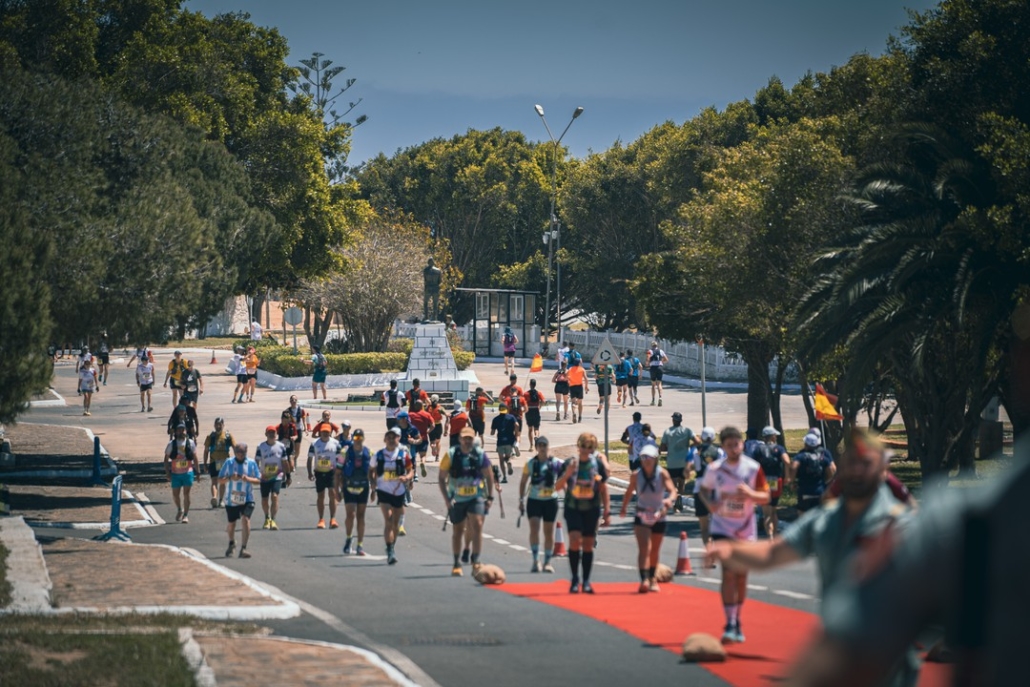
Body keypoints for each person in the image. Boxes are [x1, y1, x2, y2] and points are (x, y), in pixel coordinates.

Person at [704, 428, 914, 685]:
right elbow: (773, 553)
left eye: (866, 463)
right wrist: (728, 550)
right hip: (835, 658)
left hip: (885, 666)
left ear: (883, 469)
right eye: (852, 462)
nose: (857, 470)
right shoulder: (823, 521)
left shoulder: (902, 526)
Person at [697, 426, 770, 644]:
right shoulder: (715, 469)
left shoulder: (753, 468)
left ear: (742, 444)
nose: (733, 449)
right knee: (728, 573)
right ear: (723, 447)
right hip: (722, 528)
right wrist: (711, 505)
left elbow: (766, 496)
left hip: (745, 529)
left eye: (736, 444)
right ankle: (729, 622)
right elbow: (703, 489)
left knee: (741, 576)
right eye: (729, 445)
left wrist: (750, 493)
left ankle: (737, 618)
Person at [554, 432, 611, 594]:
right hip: (573, 508)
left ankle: (586, 581)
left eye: (590, 447)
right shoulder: (569, 463)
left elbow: (603, 488)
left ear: (594, 448)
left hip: (591, 508)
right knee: (574, 540)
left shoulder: (597, 465)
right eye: (583, 446)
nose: (586, 450)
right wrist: (568, 473)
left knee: (587, 544)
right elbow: (557, 487)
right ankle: (574, 579)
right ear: (578, 447)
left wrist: (607, 511)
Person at [620, 444, 677, 592]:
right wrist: (624, 507)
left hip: (659, 515)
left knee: (655, 550)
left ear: (656, 459)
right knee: (645, 548)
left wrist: (669, 500)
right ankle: (644, 579)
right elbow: (629, 492)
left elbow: (672, 491)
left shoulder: (662, 473)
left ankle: (653, 578)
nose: (646, 460)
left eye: (649, 457)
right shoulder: (636, 475)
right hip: (642, 514)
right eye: (643, 457)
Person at [439, 427, 495, 576]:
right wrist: (446, 499)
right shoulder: (451, 454)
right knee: (458, 531)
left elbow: (489, 475)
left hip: (476, 497)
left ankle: (476, 561)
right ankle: (456, 563)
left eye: (470, 438)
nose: (467, 441)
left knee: (477, 525)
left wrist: (490, 497)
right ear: (460, 439)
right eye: (465, 438)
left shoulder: (480, 454)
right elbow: (441, 477)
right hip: (457, 498)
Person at [519, 436, 563, 573]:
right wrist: (521, 500)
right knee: (534, 528)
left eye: (545, 445)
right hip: (534, 500)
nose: (543, 448)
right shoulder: (531, 464)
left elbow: (564, 479)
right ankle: (535, 560)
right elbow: (523, 482)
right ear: (537, 448)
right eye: (540, 445)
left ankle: (547, 562)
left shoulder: (555, 463)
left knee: (548, 531)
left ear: (548, 447)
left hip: (550, 501)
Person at [373, 427, 414, 565]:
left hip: (398, 492)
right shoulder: (379, 455)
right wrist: (373, 485)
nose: (391, 440)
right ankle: (390, 550)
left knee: (395, 524)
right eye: (389, 437)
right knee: (389, 520)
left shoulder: (403, 455)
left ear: (398, 439)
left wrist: (407, 478)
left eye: (394, 437)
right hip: (383, 492)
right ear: (385, 439)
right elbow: (371, 470)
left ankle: (391, 545)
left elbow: (410, 470)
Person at [219, 443, 261, 559]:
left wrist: (248, 479)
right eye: (238, 452)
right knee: (232, 524)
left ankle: (244, 548)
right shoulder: (229, 462)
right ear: (235, 452)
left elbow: (259, 480)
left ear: (246, 452)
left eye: (243, 452)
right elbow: (220, 479)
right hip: (232, 499)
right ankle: (231, 542)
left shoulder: (251, 463)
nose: (241, 454)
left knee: (245, 519)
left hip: (247, 498)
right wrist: (230, 478)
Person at [337, 428, 372, 555]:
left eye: (360, 437)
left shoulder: (369, 452)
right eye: (356, 437)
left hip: (363, 487)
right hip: (349, 486)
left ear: (363, 438)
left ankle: (360, 545)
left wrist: (374, 489)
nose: (358, 440)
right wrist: (337, 490)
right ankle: (349, 538)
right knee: (350, 514)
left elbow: (373, 472)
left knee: (361, 516)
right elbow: (338, 472)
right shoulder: (345, 452)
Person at [753, 426, 792, 537]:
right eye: (775, 435)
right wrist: (787, 476)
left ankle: (769, 536)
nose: (776, 437)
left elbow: (753, 465)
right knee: (774, 510)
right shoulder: (779, 448)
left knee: (766, 513)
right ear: (772, 436)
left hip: (763, 481)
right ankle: (774, 535)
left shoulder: (758, 449)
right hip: (776, 480)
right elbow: (787, 461)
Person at [692, 427, 723, 547]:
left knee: (704, 526)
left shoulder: (696, 451)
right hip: (716, 487)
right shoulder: (719, 451)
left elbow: (695, 467)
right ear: (714, 437)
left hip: (700, 487)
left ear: (702, 437)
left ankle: (709, 550)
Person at [257, 425, 291, 530]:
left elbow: (285, 461)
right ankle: (267, 518)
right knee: (265, 499)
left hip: (277, 476)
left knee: (275, 496)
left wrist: (288, 476)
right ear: (266, 434)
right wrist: (256, 473)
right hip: (264, 477)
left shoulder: (281, 446)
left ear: (276, 434)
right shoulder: (261, 446)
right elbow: (256, 461)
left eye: (273, 432)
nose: (272, 434)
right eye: (270, 433)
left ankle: (273, 519)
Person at [164, 423, 200, 523]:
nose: (181, 432)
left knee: (186, 494)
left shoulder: (190, 443)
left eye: (183, 430)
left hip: (188, 472)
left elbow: (195, 457)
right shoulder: (172, 444)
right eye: (179, 430)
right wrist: (167, 473)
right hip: (175, 473)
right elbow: (166, 459)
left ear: (186, 431)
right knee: (175, 494)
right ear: (176, 432)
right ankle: (180, 509)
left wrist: (198, 472)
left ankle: (186, 515)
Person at [660, 412, 696, 512]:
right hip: (683, 461)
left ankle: (677, 500)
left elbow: (662, 447)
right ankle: (679, 501)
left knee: (673, 484)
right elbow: (697, 441)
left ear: (673, 420)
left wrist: (668, 448)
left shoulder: (668, 432)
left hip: (672, 462)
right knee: (681, 483)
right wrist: (690, 448)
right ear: (681, 420)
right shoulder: (687, 431)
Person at [793, 432, 836, 514]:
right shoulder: (824, 456)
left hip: (804, 490)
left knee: (802, 514)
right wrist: (827, 481)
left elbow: (793, 467)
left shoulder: (801, 456)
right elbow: (833, 469)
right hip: (820, 491)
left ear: (806, 444)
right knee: (821, 514)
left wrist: (791, 481)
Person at [307, 425, 341, 529]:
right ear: (320, 432)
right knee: (321, 495)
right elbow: (310, 459)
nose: (325, 434)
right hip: (319, 472)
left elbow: (340, 460)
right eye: (323, 432)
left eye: (327, 432)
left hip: (332, 472)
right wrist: (309, 473)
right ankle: (321, 519)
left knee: (332, 494)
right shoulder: (314, 443)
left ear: (330, 433)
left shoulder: (336, 443)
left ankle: (333, 519)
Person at [203, 418, 235, 508]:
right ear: (214, 425)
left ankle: (221, 500)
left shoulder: (228, 436)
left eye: (220, 424)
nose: (218, 426)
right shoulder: (210, 437)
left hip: (224, 462)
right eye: (216, 424)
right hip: (214, 462)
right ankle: (214, 497)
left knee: (222, 481)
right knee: (214, 480)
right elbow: (206, 451)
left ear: (223, 425)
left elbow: (235, 447)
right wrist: (205, 464)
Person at [490, 403, 519, 482]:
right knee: (507, 457)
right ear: (507, 409)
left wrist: (493, 431)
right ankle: (509, 462)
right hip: (510, 441)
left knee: (501, 460)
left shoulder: (495, 419)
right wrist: (516, 434)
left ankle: (504, 477)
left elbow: (492, 432)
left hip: (500, 441)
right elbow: (517, 425)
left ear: (499, 410)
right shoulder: (511, 417)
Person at [407, 400, 435, 479]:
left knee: (413, 457)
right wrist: (428, 431)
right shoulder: (427, 414)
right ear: (422, 406)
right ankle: (422, 462)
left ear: (415, 406)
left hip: (413, 439)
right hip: (423, 438)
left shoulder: (410, 415)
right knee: (423, 455)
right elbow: (433, 425)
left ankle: (415, 474)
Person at [500, 374, 526, 448]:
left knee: (510, 431)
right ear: (516, 379)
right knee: (518, 433)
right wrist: (522, 411)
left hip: (509, 414)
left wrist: (504, 401)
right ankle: (517, 444)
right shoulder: (519, 388)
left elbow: (500, 397)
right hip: (519, 415)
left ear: (510, 379)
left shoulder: (506, 389)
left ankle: (511, 446)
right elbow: (523, 401)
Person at [275, 410, 300, 487]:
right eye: (284, 419)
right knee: (283, 464)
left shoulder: (292, 426)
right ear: (282, 419)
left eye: (288, 420)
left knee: (291, 466)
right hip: (281, 448)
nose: (286, 421)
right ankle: (283, 480)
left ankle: (288, 474)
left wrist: (294, 437)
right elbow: (273, 433)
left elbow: (296, 435)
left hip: (290, 448)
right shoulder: (278, 427)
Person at [523, 379, 545, 447]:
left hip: (529, 411)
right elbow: (543, 401)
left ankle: (531, 445)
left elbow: (523, 402)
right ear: (535, 385)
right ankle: (536, 436)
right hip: (536, 410)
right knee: (536, 428)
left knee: (530, 429)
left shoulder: (526, 394)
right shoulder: (538, 393)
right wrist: (540, 406)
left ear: (530, 384)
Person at [566, 358, 588, 423]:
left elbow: (566, 377)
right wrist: (586, 387)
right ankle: (580, 416)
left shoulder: (570, 369)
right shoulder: (582, 369)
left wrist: (570, 379)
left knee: (573, 401)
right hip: (579, 386)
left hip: (572, 386)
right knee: (580, 402)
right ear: (579, 363)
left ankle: (574, 413)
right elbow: (586, 379)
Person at [647, 341, 668, 406]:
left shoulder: (650, 351)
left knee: (653, 384)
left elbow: (648, 358)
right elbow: (666, 359)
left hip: (653, 368)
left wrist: (647, 364)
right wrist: (661, 362)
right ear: (657, 346)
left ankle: (653, 400)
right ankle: (660, 397)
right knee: (659, 383)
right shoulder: (661, 351)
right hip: (660, 367)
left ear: (652, 345)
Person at [427, 394, 444, 462]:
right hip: (438, 425)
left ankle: (433, 447)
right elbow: (445, 413)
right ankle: (437, 456)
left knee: (432, 442)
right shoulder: (440, 407)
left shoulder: (428, 407)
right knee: (438, 442)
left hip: (431, 425)